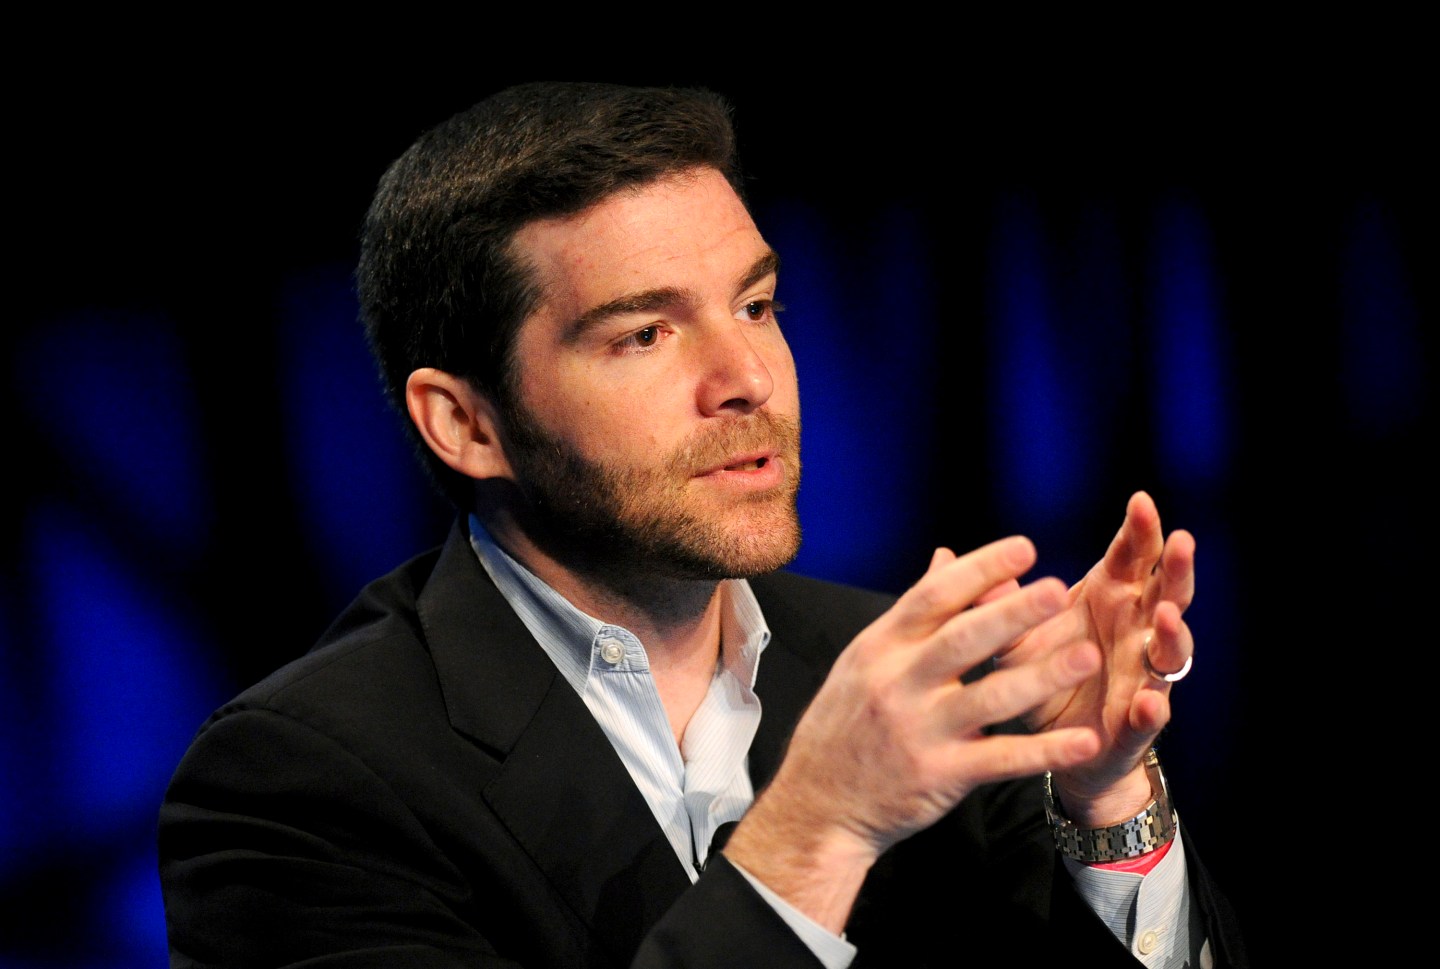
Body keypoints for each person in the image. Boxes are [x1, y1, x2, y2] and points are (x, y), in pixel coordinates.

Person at [158, 81, 1247, 968]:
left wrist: (1106, 800)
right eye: (644, 334)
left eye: (756, 305)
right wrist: (817, 829)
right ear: (467, 423)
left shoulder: (907, 676)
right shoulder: (299, 784)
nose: (746, 377)